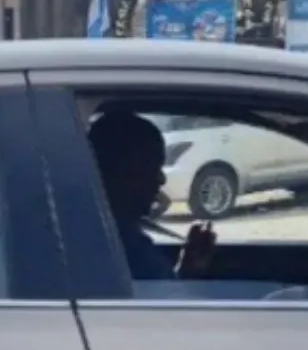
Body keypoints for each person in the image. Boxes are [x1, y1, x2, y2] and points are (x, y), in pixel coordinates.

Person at [87, 107, 215, 281]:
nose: (161, 179)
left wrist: (189, 265)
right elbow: (169, 296)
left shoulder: (101, 234)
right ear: (120, 172)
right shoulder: (127, 251)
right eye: (152, 167)